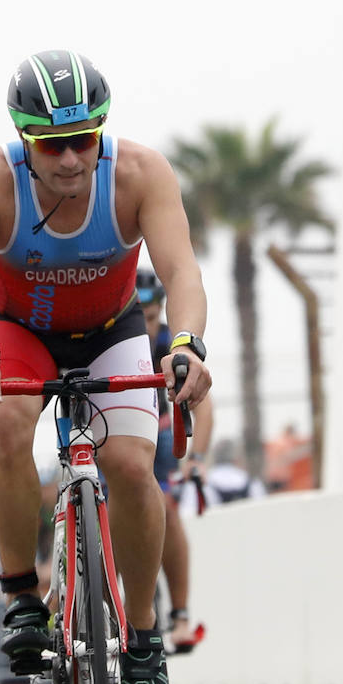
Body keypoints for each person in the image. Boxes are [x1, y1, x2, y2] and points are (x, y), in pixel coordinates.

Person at [0, 50, 212, 684]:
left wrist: (185, 344)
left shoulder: (137, 173)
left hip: (111, 328)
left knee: (131, 466)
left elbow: (182, 272)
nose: (70, 159)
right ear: (23, 138)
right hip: (18, 329)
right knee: (8, 422)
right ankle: (20, 598)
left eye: (83, 140)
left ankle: (147, 631)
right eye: (51, 143)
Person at [138, 269, 214, 651]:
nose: (147, 328)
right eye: (139, 320)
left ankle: (180, 614)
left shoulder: (170, 344)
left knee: (167, 507)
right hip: (115, 426)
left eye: (152, 319)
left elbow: (205, 408)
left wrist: (196, 459)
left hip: (162, 437)